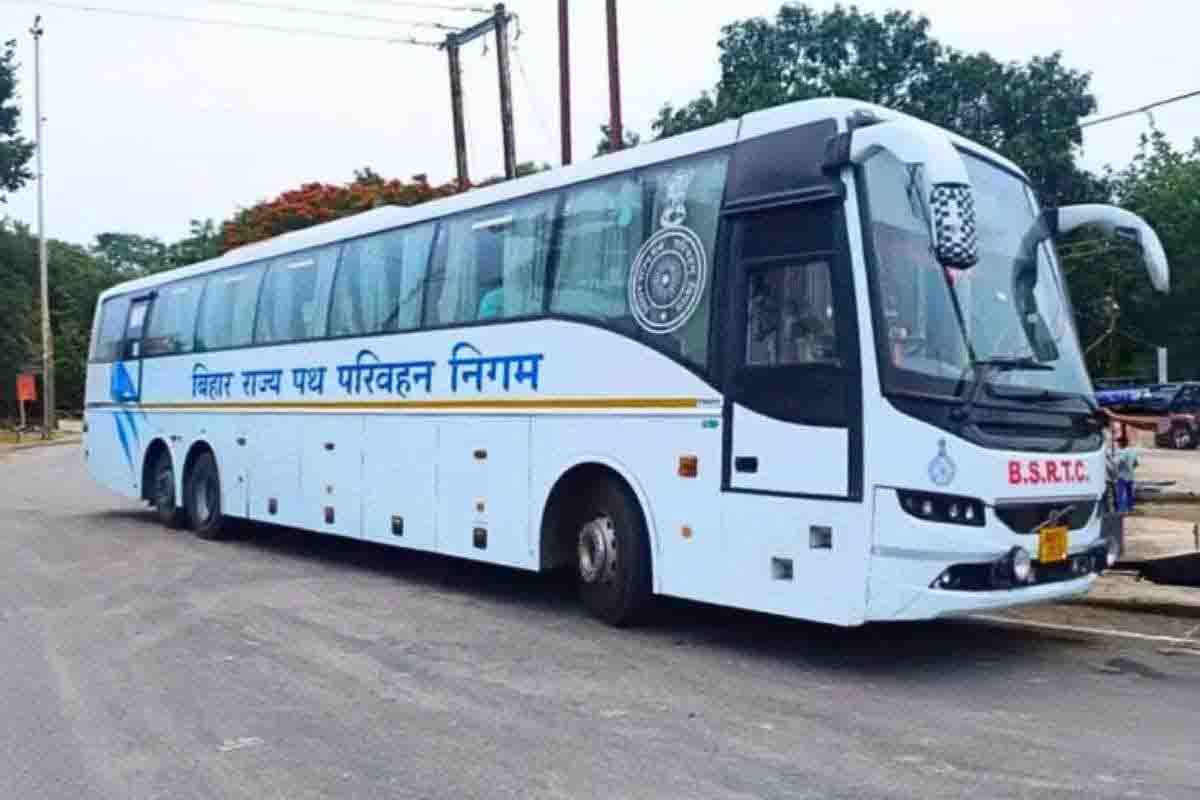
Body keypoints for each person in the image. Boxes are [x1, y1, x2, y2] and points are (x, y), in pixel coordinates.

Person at [1114, 434, 1139, 513]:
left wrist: (1116, 469)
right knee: (1129, 493)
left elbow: (1119, 462)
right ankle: (1130, 508)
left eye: (1119, 442)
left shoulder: (1123, 452)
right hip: (1130, 476)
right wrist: (1130, 469)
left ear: (1123, 443)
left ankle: (1121, 510)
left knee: (1120, 494)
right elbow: (1136, 463)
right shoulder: (1133, 452)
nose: (1118, 444)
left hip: (1122, 476)